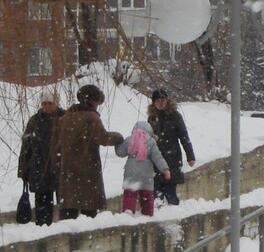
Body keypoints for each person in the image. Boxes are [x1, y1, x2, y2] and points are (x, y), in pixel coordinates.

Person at [50, 84, 123, 220]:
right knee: (88, 213)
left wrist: (58, 166)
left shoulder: (64, 118)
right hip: (87, 170)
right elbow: (103, 138)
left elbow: (55, 146)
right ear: (93, 101)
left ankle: (68, 236)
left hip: (68, 172)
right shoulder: (91, 118)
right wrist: (118, 137)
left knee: (69, 212)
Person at [18, 91, 65, 225]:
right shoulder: (34, 120)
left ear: (56, 103)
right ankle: (43, 230)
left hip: (60, 167)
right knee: (42, 206)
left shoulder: (64, 118)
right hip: (39, 168)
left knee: (64, 205)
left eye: (50, 103)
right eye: (44, 103)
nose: (47, 106)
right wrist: (23, 169)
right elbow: (26, 147)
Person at [148, 89, 195, 206]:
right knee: (156, 195)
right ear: (153, 103)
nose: (161, 103)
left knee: (170, 192)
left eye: (163, 100)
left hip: (172, 158)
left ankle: (174, 214)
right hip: (156, 160)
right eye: (158, 101)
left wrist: (190, 156)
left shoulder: (175, 116)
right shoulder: (152, 118)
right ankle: (159, 217)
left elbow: (184, 136)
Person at [115, 121, 171, 217]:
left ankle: (128, 210)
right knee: (147, 194)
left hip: (131, 171)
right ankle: (148, 213)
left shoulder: (129, 140)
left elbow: (120, 153)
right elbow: (158, 157)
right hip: (146, 172)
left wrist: (117, 143)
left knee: (130, 192)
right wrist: (165, 169)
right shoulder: (151, 141)